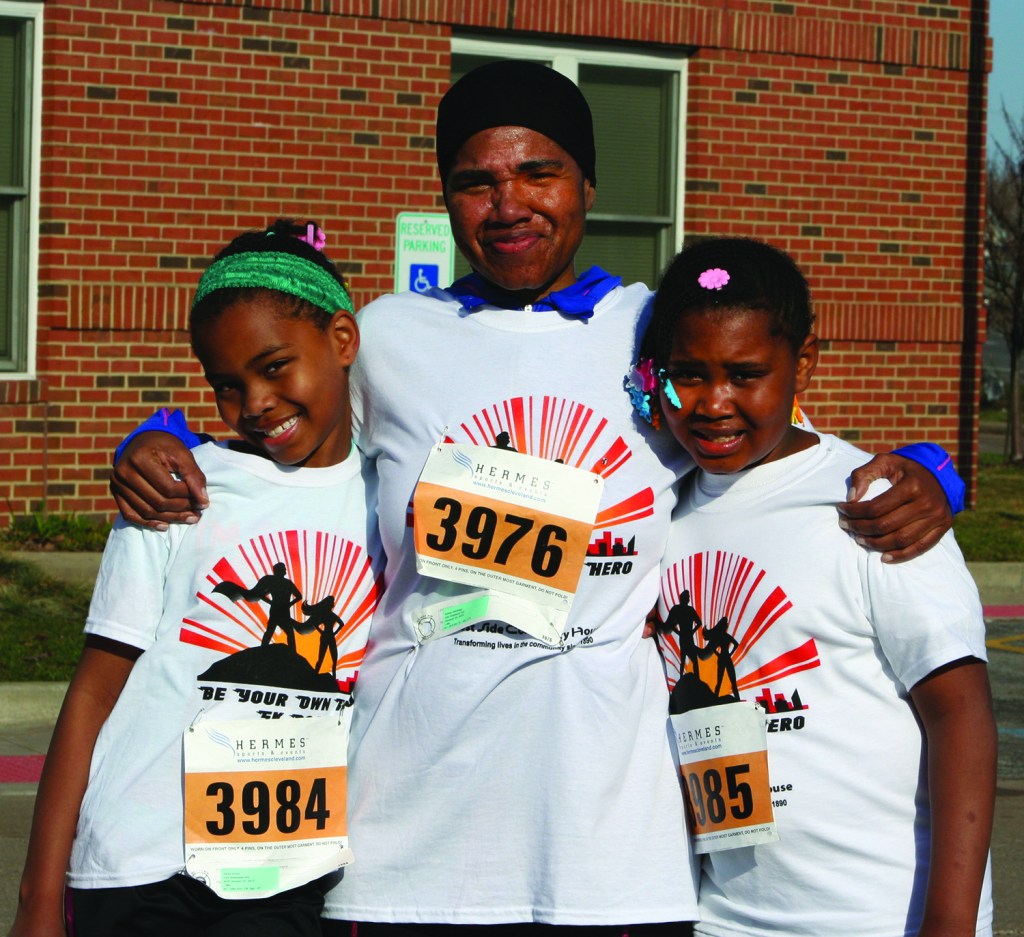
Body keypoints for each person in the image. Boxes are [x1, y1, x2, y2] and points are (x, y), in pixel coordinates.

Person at [109, 63, 958, 933]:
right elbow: (281, 415)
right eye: (476, 181)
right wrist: (155, 435)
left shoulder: (655, 328)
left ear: (588, 183)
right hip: (410, 841)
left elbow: (779, 440)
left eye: (537, 173)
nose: (507, 204)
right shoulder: (392, 336)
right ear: (446, 198)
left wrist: (934, 468)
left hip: (610, 855)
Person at [9, 221, 383, 937]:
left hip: (298, 875)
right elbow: (93, 691)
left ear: (342, 340)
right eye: (227, 384)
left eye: (275, 366)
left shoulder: (389, 494)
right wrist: (36, 900)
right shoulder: (178, 487)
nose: (255, 403)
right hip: (146, 870)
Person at [637, 236, 995, 937]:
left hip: (877, 915)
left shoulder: (873, 505)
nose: (713, 403)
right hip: (723, 917)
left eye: (746, 374)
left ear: (804, 364)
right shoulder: (663, 508)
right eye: (689, 373)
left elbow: (960, 713)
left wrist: (950, 921)